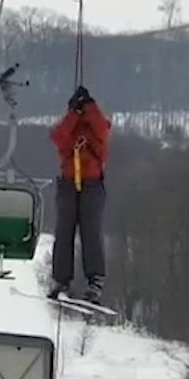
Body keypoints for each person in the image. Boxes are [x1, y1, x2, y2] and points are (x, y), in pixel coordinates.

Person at [48, 84, 112, 304]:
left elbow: (102, 128)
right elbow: (58, 137)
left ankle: (95, 281)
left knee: (91, 232)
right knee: (64, 232)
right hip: (69, 183)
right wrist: (74, 114)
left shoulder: (97, 128)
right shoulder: (69, 128)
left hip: (91, 184)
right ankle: (61, 279)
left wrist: (89, 107)